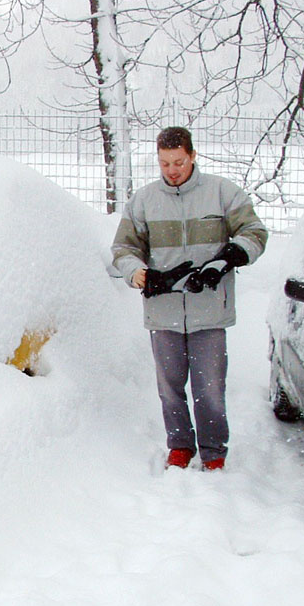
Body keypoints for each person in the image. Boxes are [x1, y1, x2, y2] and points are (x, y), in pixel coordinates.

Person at [110, 126, 268, 471]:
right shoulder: (143, 201)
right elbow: (123, 248)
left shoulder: (223, 193)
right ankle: (180, 445)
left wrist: (226, 259)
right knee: (170, 388)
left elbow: (255, 233)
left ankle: (213, 451)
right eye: (165, 163)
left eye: (179, 162)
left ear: (193, 155)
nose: (172, 170)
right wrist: (135, 271)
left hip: (210, 311)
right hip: (162, 312)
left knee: (209, 389)